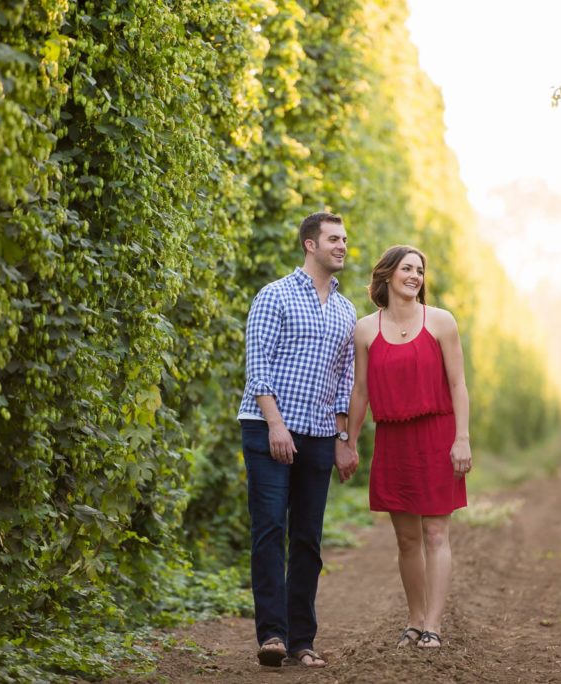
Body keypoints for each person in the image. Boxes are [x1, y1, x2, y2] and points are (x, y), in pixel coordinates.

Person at [237, 211, 359, 668]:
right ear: (310, 244)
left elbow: (346, 380)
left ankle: (303, 641)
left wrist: (344, 438)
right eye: (333, 239)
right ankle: (272, 635)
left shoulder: (348, 311)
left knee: (308, 537)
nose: (342, 246)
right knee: (270, 528)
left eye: (345, 239)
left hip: (321, 434)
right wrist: (275, 424)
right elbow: (258, 367)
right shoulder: (274, 296)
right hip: (268, 427)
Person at [346, 245, 472, 649]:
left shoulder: (441, 322)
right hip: (393, 440)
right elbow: (361, 391)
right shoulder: (365, 328)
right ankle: (415, 619)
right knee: (406, 540)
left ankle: (434, 625)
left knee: (436, 533)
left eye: (420, 269)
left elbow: (458, 385)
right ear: (387, 275)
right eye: (407, 268)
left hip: (437, 436)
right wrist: (349, 440)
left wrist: (462, 438)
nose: (415, 275)